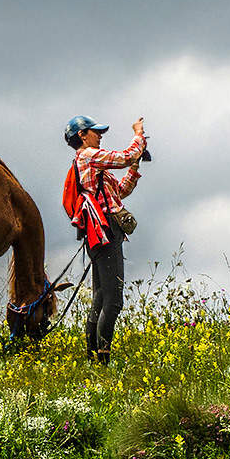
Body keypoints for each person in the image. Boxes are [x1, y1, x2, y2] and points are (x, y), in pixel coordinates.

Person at [64, 115, 146, 365]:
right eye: (95, 131)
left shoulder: (92, 165)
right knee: (114, 300)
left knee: (100, 296)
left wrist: (136, 166)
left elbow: (120, 191)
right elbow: (123, 157)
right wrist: (138, 135)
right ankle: (102, 362)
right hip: (106, 231)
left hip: (99, 232)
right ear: (82, 135)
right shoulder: (88, 155)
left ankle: (92, 359)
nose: (100, 135)